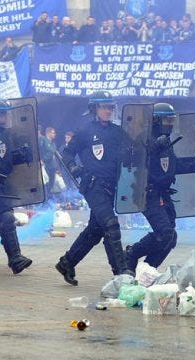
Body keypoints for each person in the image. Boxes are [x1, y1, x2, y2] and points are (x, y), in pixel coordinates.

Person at [55, 91, 133, 286]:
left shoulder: (118, 132)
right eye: (104, 107)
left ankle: (67, 263)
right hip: (93, 185)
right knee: (111, 225)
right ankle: (121, 273)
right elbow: (66, 154)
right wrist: (75, 168)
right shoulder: (85, 131)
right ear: (95, 109)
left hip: (111, 186)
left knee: (95, 230)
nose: (108, 110)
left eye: (110, 107)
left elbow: (133, 151)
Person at [0, 99, 33, 274]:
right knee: (6, 217)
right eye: (3, 114)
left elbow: (2, 158)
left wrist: (19, 156)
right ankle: (15, 258)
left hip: (0, 183)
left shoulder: (0, 133)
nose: (6, 117)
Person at [125, 103, 180, 270]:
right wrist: (154, 147)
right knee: (166, 233)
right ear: (155, 120)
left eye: (171, 120)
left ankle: (147, 270)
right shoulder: (144, 138)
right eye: (166, 119)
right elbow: (133, 161)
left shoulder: (166, 140)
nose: (169, 123)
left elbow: (169, 166)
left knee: (170, 237)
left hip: (163, 193)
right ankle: (132, 254)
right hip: (147, 193)